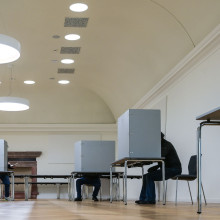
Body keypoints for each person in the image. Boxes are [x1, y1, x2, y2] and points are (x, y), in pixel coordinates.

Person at [135, 132, 182, 204]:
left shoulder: (166, 145)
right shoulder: (160, 145)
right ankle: (143, 198)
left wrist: (147, 161)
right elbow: (160, 159)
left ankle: (150, 200)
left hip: (174, 169)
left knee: (149, 176)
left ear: (160, 138)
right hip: (167, 169)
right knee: (145, 176)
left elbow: (159, 157)